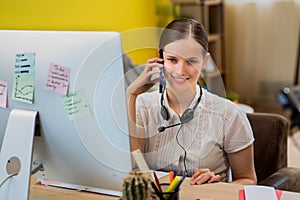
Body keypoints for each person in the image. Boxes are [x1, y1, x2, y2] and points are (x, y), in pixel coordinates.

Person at [126, 18, 257, 185]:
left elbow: (248, 180)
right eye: (173, 60)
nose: (180, 71)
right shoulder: (141, 106)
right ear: (160, 59)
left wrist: (217, 186)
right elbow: (132, 168)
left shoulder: (229, 114)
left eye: (191, 61)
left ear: (204, 62)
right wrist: (131, 94)